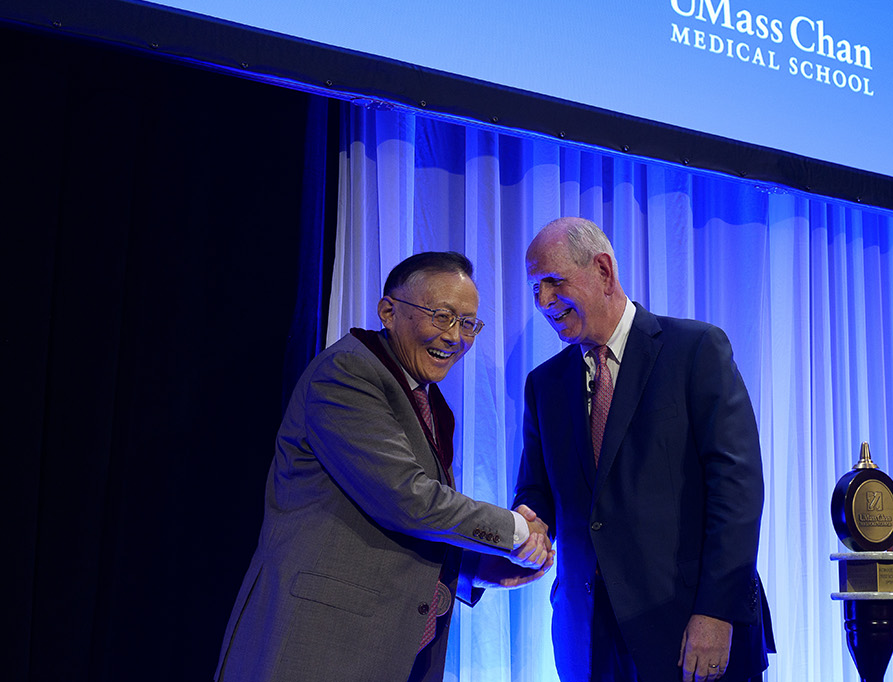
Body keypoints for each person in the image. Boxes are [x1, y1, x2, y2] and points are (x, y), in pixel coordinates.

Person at [216, 252, 552, 682]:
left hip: (384, 650)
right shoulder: (347, 373)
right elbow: (405, 498)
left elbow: (396, 528)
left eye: (468, 323)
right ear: (388, 311)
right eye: (443, 316)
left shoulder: (427, 399)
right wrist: (516, 531)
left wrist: (473, 568)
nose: (456, 337)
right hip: (318, 644)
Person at [515, 218, 774, 682]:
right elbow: (538, 491)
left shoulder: (695, 350)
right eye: (536, 289)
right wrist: (528, 520)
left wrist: (717, 611)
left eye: (554, 282)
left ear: (604, 270)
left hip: (690, 631)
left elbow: (737, 489)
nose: (545, 301)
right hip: (588, 638)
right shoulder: (544, 385)